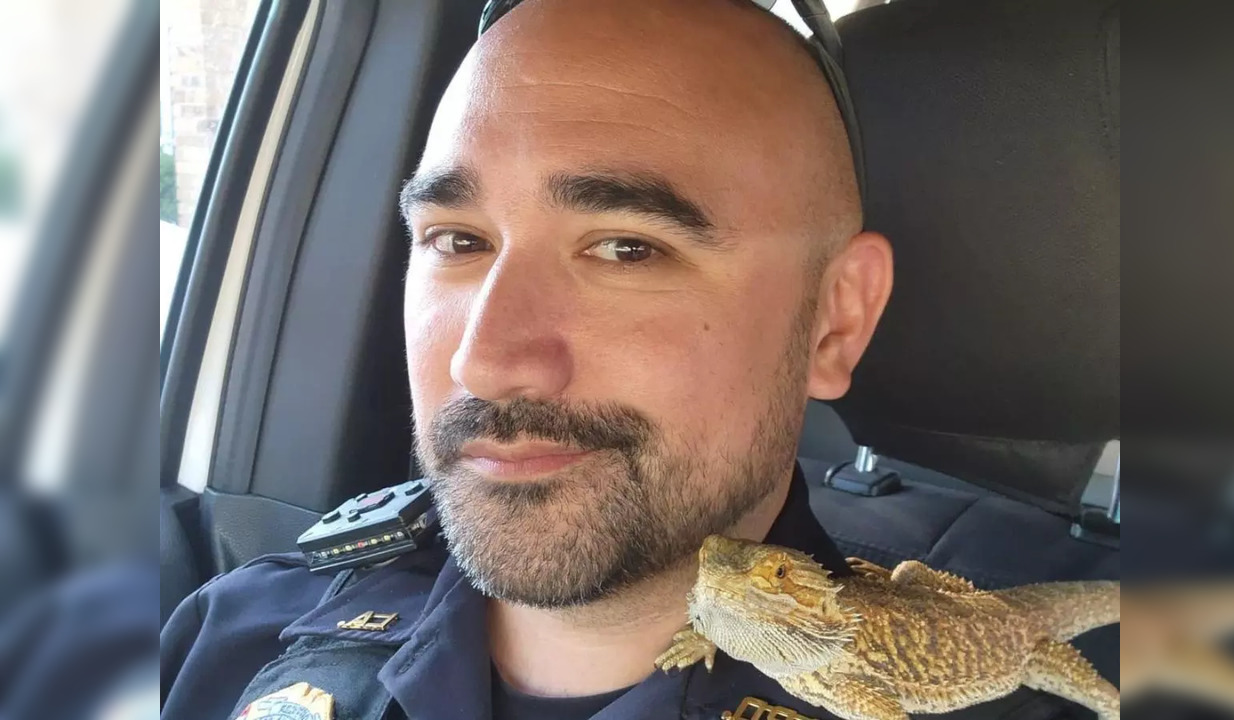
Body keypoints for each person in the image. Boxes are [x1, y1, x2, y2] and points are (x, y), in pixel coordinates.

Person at [160, 0, 893, 718]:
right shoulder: (235, 634)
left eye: (626, 249)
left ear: (837, 320)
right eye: (458, 241)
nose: (484, 363)